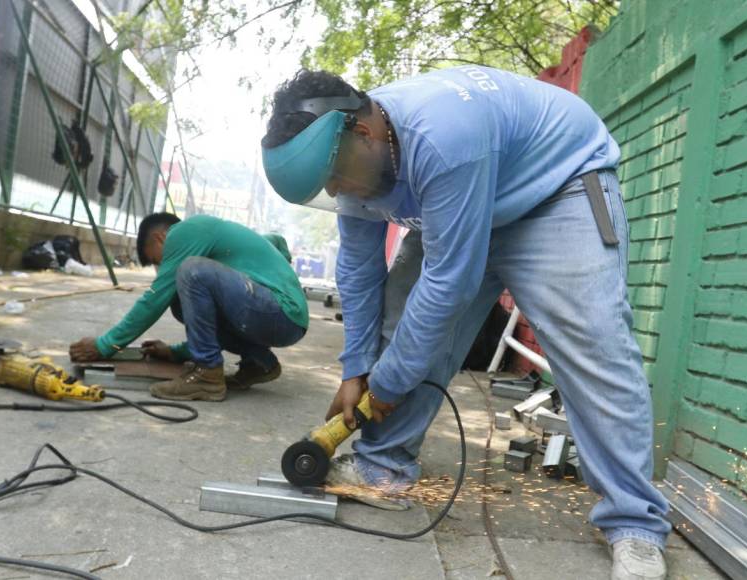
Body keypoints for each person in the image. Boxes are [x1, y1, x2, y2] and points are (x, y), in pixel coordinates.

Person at [260, 67, 671, 580]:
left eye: (338, 178)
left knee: (596, 347)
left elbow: (449, 283)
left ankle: (635, 523)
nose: (340, 191)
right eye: (329, 187)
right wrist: (357, 366)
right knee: (402, 326)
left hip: (556, 190)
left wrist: (387, 382)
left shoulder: (442, 133)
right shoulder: (350, 155)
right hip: (460, 204)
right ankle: (381, 468)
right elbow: (360, 272)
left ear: (364, 133)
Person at [69, 213, 308, 402]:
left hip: (279, 312)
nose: (159, 269)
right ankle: (259, 362)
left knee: (190, 270)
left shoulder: (185, 231)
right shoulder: (215, 239)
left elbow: (153, 300)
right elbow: (276, 239)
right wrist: (176, 352)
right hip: (284, 319)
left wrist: (105, 345)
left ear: (161, 238)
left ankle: (207, 375)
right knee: (181, 300)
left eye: (155, 261)